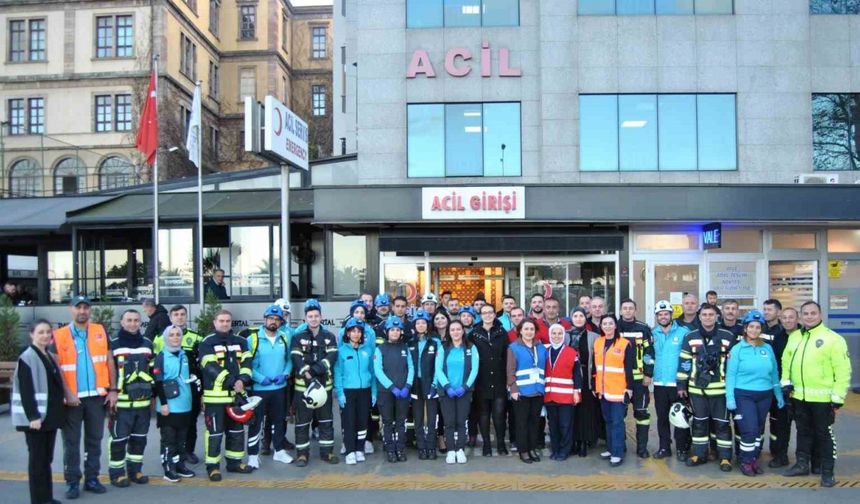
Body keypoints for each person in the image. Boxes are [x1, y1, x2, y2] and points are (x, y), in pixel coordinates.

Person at [782, 301, 852, 487]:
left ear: (820, 315)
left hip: (823, 399)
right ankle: (802, 464)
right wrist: (786, 382)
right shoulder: (795, 336)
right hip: (799, 396)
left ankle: (827, 472)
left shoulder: (833, 339)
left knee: (824, 435)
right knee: (803, 432)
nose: (809, 316)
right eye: (805, 313)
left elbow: (843, 371)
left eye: (813, 313)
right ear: (801, 316)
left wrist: (838, 398)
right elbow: (786, 361)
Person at [53, 295, 117, 499]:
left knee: (94, 440)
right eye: (78, 307)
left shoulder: (100, 331)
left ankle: (92, 478)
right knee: (71, 443)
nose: (82, 311)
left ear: (90, 310)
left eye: (85, 308)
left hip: (96, 397)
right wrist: (67, 393)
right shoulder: (59, 335)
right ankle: (72, 481)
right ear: (71, 309)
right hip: (72, 399)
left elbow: (109, 361)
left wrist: (113, 390)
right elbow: (57, 368)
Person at [726, 310, 785, 477]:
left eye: (757, 327)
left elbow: (774, 373)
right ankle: (745, 461)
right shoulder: (737, 349)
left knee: (758, 430)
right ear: (745, 328)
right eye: (751, 326)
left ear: (761, 329)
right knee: (749, 430)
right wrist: (730, 397)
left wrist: (778, 394)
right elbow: (731, 375)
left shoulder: (767, 348)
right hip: (744, 395)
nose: (754, 330)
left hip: (765, 395)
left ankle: (753, 459)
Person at [13, 319, 66, 504]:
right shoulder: (27, 357)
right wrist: (33, 416)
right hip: (36, 420)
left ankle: (46, 498)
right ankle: (38, 500)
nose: (45, 335)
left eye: (48, 332)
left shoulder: (48, 355)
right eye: (40, 332)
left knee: (46, 460)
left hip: (49, 417)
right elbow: (26, 390)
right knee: (38, 462)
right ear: (31, 335)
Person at [677, 303, 735, 471]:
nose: (708, 317)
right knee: (699, 423)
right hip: (697, 391)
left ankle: (725, 458)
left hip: (721, 391)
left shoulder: (727, 336)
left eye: (711, 314)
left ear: (717, 317)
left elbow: (733, 365)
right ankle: (699, 454)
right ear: (699, 317)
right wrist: (681, 385)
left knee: (722, 424)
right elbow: (684, 362)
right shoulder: (690, 337)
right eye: (704, 314)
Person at [199, 309, 254, 480]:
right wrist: (232, 381)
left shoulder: (241, 341)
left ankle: (234, 463)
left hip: (236, 397)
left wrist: (243, 380)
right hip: (215, 399)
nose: (224, 324)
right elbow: (210, 367)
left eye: (227, 321)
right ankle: (213, 467)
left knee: (236, 432)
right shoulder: (207, 342)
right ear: (215, 322)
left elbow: (247, 362)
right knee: (214, 433)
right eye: (221, 321)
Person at [107, 309, 155, 487]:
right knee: (118, 440)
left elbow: (152, 370)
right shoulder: (113, 344)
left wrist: (154, 394)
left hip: (143, 402)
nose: (133, 323)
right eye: (129, 320)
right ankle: (117, 473)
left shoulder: (147, 343)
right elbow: (108, 371)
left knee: (139, 439)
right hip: (121, 403)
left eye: (136, 320)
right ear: (122, 322)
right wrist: (111, 392)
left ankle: (135, 471)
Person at [291, 299, 339, 467]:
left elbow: (331, 357)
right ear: (305, 318)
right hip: (303, 389)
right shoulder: (297, 337)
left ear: (321, 317)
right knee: (302, 422)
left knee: (326, 421)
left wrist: (314, 370)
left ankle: (327, 453)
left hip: (324, 387)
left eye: (316, 316)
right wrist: (307, 373)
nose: (313, 319)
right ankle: (302, 455)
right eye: (310, 316)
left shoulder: (329, 337)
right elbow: (296, 358)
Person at [154, 305, 204, 464]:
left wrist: (201, 391)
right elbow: (155, 367)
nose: (180, 317)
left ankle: (188, 451)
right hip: (169, 389)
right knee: (170, 427)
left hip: (191, 387)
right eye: (176, 314)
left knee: (191, 421)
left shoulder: (197, 337)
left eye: (182, 314)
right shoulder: (159, 338)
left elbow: (201, 365)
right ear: (170, 317)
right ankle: (171, 456)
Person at [246, 305, 294, 468]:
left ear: (281, 322)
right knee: (256, 423)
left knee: (279, 421)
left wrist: (285, 374)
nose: (273, 322)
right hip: (259, 389)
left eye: (277, 319)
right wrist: (260, 378)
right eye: (271, 318)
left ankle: (279, 451)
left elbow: (289, 360)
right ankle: (253, 455)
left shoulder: (284, 338)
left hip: (279, 388)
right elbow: (246, 364)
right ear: (265, 319)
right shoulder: (253, 339)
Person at [154, 325, 197, 482]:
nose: (175, 337)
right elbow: (158, 382)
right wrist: (163, 404)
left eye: (178, 334)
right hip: (169, 406)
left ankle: (180, 465)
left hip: (185, 404)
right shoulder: (161, 356)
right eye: (171, 335)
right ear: (166, 337)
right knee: (169, 439)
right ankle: (168, 468)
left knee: (181, 439)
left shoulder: (184, 355)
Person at [651, 300, 691, 461]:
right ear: (656, 316)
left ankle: (682, 448)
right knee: (662, 418)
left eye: (666, 314)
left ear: (671, 315)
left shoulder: (683, 332)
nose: (663, 317)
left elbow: (688, 357)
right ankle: (664, 447)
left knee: (680, 418)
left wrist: (684, 381)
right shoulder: (652, 334)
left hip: (678, 384)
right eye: (660, 314)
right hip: (659, 383)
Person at [593, 314, 635, 468]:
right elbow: (596, 367)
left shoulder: (624, 343)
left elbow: (629, 368)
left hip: (619, 391)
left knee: (617, 422)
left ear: (616, 325)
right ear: (601, 326)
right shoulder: (598, 342)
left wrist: (629, 388)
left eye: (611, 323)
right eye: (604, 323)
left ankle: (617, 453)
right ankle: (611, 449)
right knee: (608, 421)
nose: (607, 326)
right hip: (603, 390)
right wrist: (595, 386)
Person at [435, 320, 479, 464]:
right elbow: (438, 369)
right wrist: (447, 386)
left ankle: (460, 449)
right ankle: (450, 450)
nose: (456, 332)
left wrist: (465, 387)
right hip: (447, 392)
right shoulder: (443, 348)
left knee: (461, 421)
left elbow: (474, 369)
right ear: (449, 332)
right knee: (449, 422)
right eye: (452, 330)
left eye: (458, 329)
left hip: (464, 392)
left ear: (463, 331)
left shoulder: (471, 347)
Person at [334, 318, 376, 465]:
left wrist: (374, 392)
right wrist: (340, 393)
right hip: (348, 391)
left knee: (363, 422)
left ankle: (359, 449)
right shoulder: (341, 351)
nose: (356, 334)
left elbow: (372, 372)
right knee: (349, 422)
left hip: (365, 390)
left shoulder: (368, 350)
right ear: (347, 333)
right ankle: (350, 451)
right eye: (353, 331)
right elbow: (338, 373)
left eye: (359, 331)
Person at [470, 304, 510, 456]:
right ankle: (486, 445)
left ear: (494, 314)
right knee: (483, 414)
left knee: (499, 414)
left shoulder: (502, 332)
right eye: (484, 313)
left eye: (490, 312)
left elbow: (507, 356)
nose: (487, 315)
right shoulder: (474, 334)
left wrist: (508, 379)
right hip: (481, 380)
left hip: (499, 379)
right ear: (480, 315)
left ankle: (500, 444)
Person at [618, 298, 655, 458]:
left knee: (642, 414)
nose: (627, 310)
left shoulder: (643, 329)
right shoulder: (614, 327)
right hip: (620, 381)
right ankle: (620, 446)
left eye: (630, 308)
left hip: (640, 380)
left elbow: (649, 353)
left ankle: (642, 448)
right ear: (620, 311)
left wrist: (648, 373)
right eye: (625, 308)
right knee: (619, 415)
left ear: (635, 310)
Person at [374, 317, 414, 463]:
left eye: (398, 330)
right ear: (387, 332)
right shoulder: (380, 349)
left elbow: (411, 367)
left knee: (401, 422)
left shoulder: (405, 348)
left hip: (403, 392)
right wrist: (391, 387)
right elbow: (378, 370)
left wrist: (408, 386)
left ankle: (400, 449)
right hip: (386, 392)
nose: (395, 332)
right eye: (392, 330)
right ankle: (390, 449)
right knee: (388, 422)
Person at [507, 319, 547, 464]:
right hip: (521, 392)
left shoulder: (541, 348)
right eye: (526, 329)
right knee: (522, 423)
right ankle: (523, 450)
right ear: (520, 331)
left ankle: (532, 448)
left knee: (535, 422)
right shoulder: (513, 347)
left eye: (532, 329)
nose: (529, 332)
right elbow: (510, 371)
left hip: (538, 391)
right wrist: (513, 389)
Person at [544, 323, 582, 461]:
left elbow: (577, 374)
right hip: (549, 396)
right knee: (553, 426)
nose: (556, 336)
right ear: (550, 335)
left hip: (566, 396)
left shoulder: (572, 352)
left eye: (559, 333)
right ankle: (555, 450)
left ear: (564, 335)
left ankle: (565, 451)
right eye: (553, 333)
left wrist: (577, 392)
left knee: (565, 425)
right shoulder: (544, 351)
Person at [760, 298, 790, 468]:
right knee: (759, 419)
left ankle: (777, 451)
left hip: (778, 384)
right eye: (764, 309)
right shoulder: (759, 328)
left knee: (778, 421)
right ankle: (756, 449)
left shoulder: (783, 332)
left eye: (769, 310)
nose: (766, 312)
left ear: (778, 312)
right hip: (761, 383)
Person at [568, 307, 601, 457]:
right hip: (569, 378)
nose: (578, 319)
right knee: (572, 411)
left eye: (581, 316)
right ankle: (572, 441)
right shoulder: (565, 335)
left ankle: (583, 442)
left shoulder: (594, 336)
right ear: (571, 318)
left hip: (586, 377)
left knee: (586, 411)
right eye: (575, 316)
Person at [409, 309, 440, 460]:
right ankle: (422, 447)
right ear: (414, 325)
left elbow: (439, 366)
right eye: (418, 323)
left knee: (432, 418)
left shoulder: (436, 342)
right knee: (418, 417)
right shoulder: (410, 343)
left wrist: (435, 384)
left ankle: (431, 447)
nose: (420, 325)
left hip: (431, 383)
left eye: (423, 323)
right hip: (415, 384)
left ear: (428, 325)